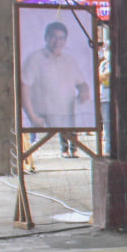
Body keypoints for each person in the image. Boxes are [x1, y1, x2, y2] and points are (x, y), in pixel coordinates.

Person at [21, 21, 92, 158]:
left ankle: (73, 149)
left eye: (61, 38)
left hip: (68, 109)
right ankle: (64, 149)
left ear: (65, 40)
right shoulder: (35, 59)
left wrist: (84, 92)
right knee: (60, 131)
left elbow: (82, 83)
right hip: (45, 111)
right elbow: (24, 87)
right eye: (54, 37)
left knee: (71, 129)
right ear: (46, 38)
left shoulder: (69, 60)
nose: (58, 41)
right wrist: (32, 116)